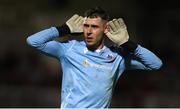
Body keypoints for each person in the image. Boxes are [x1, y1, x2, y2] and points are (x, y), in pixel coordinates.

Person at [26, 7, 162, 108]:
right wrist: (64, 29)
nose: (89, 31)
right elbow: (33, 41)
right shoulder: (69, 49)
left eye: (95, 27)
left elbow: (155, 64)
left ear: (105, 29)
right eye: (86, 26)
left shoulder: (117, 56)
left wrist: (127, 43)